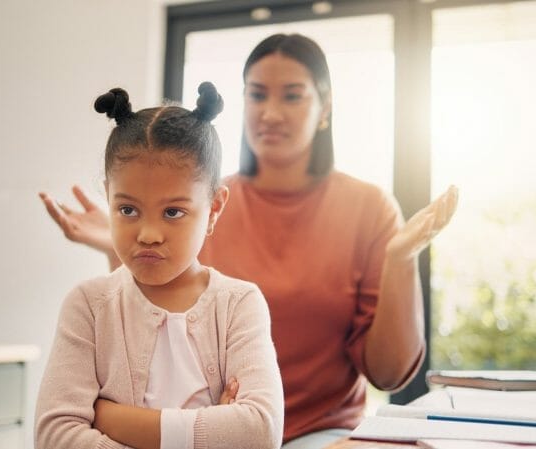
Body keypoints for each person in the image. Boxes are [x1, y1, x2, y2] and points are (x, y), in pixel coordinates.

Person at [39, 34, 458, 449]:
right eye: (257, 95)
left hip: (316, 436)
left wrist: (401, 261)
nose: (271, 113)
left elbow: (387, 374)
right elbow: (143, 331)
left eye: (291, 96)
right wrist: (116, 245)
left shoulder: (365, 208)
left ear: (325, 107)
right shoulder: (187, 201)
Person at [35, 82, 284, 449]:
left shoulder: (239, 304)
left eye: (173, 212)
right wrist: (209, 432)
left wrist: (111, 419)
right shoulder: (87, 305)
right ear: (108, 198)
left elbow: (259, 431)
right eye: (128, 210)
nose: (149, 234)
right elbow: (55, 435)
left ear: (214, 208)